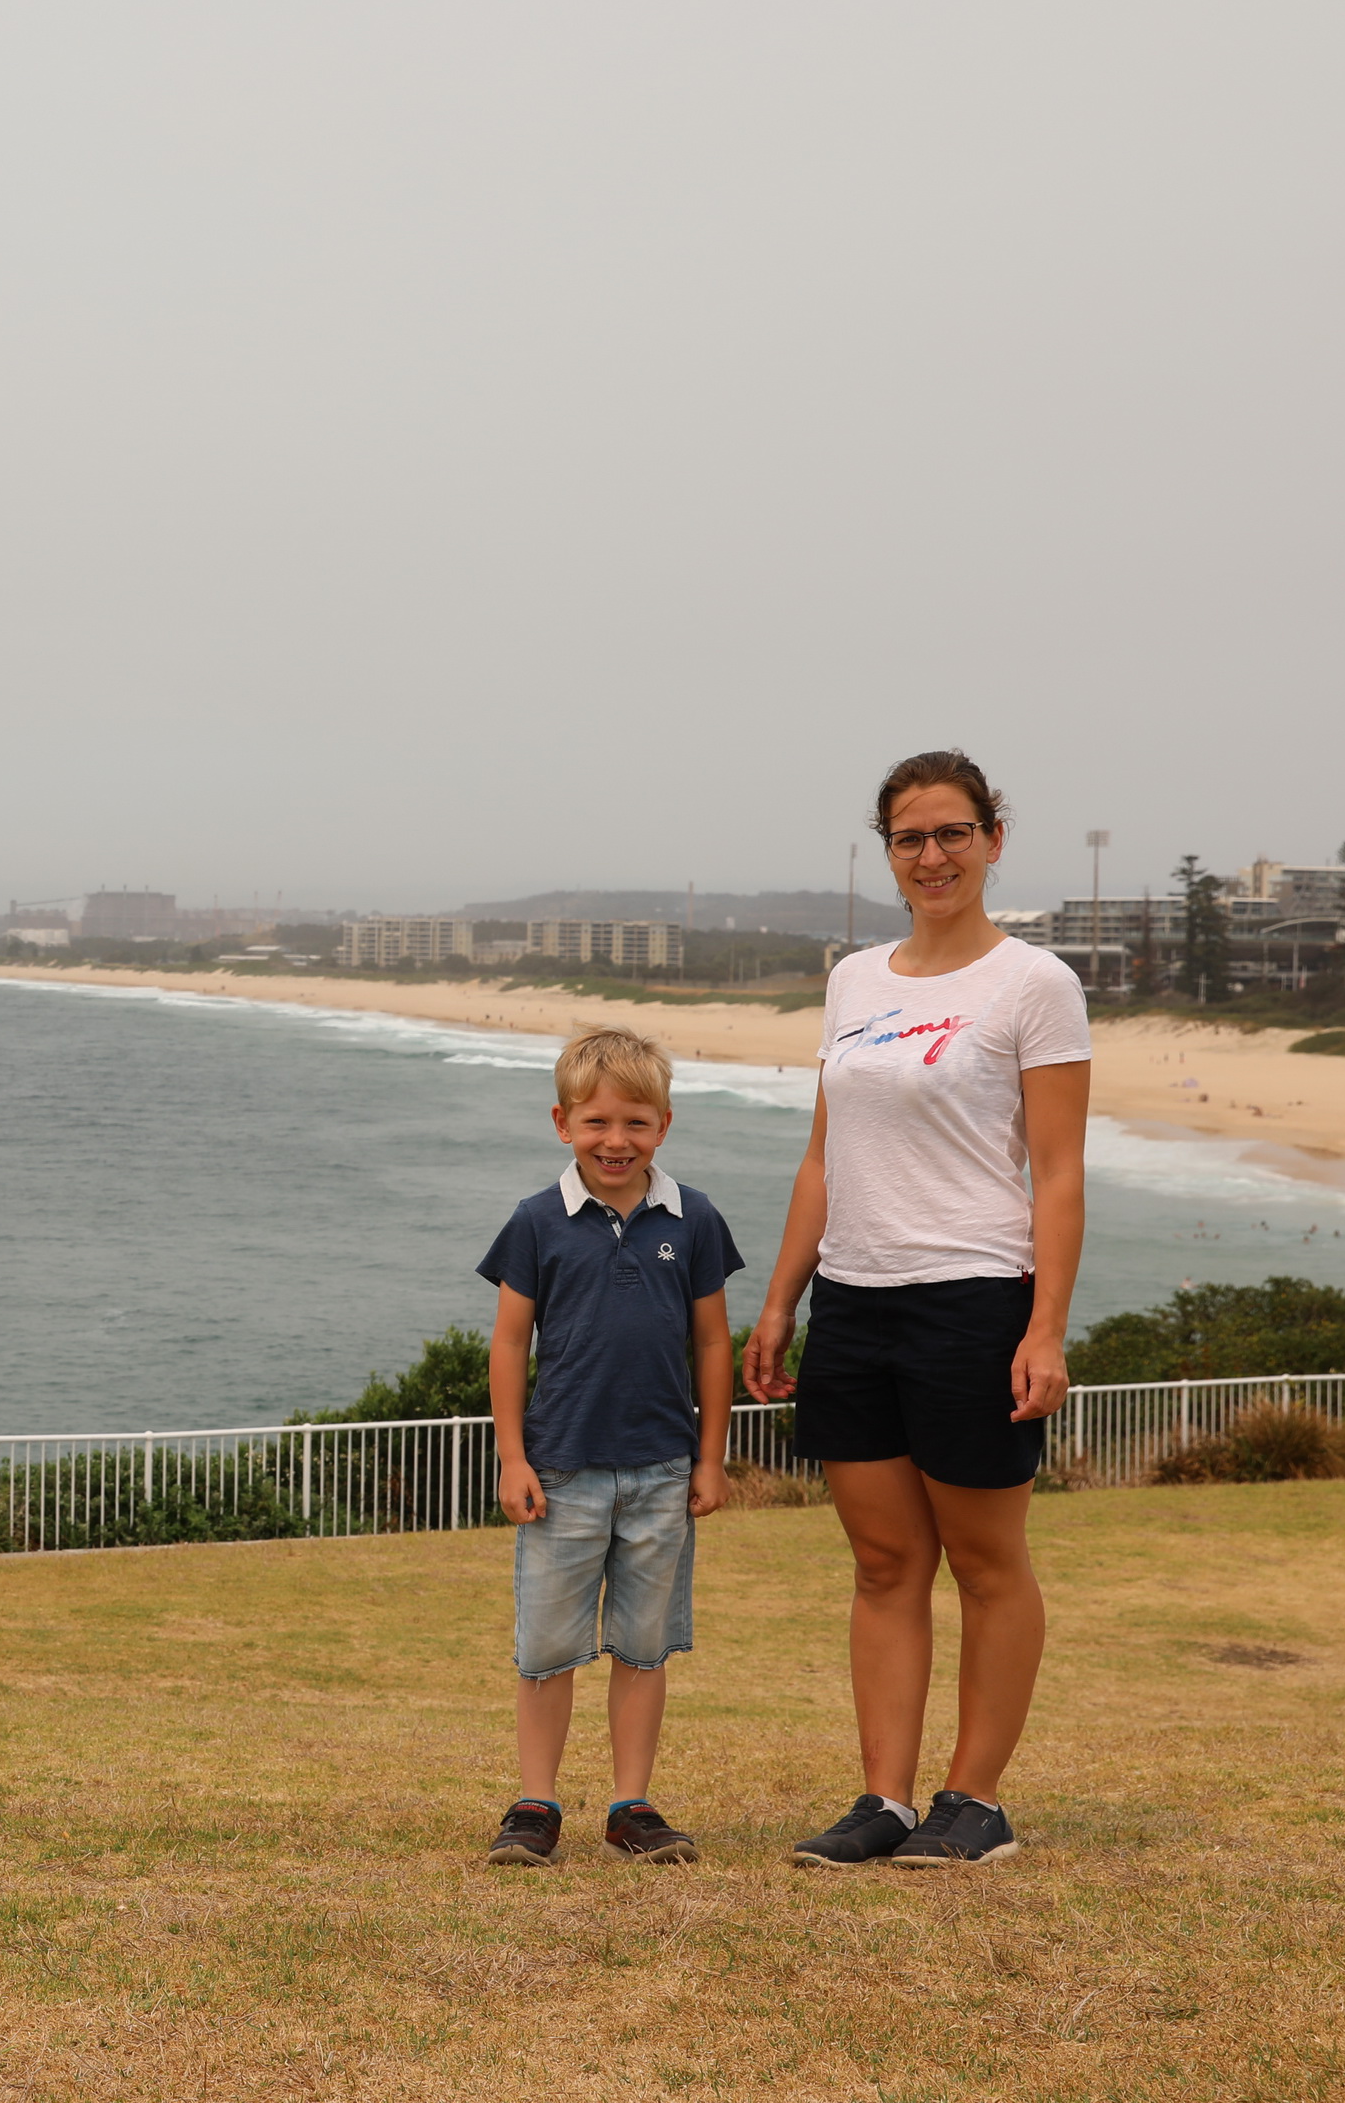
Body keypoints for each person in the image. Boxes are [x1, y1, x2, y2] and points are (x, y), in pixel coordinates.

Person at [742, 749, 1091, 1869]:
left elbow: (1060, 1171)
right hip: (856, 1300)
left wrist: (1045, 1327)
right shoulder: (855, 980)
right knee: (884, 1562)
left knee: (988, 1561)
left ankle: (974, 1798)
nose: (931, 856)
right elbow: (821, 1156)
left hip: (974, 1300)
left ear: (993, 838)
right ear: (888, 851)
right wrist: (783, 1299)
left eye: (952, 832)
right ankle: (885, 1799)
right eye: (910, 837)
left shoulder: (1034, 983)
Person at [479, 1027, 742, 1868]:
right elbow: (510, 1345)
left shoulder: (693, 1218)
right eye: (596, 1123)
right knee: (548, 1648)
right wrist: (513, 1458)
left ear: (663, 1124)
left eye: (635, 1122)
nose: (615, 1140)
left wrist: (710, 1457)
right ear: (563, 1123)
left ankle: (632, 1806)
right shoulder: (535, 1223)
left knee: (642, 1644)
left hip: (664, 1468)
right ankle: (535, 1806)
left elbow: (711, 1344)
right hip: (561, 1469)